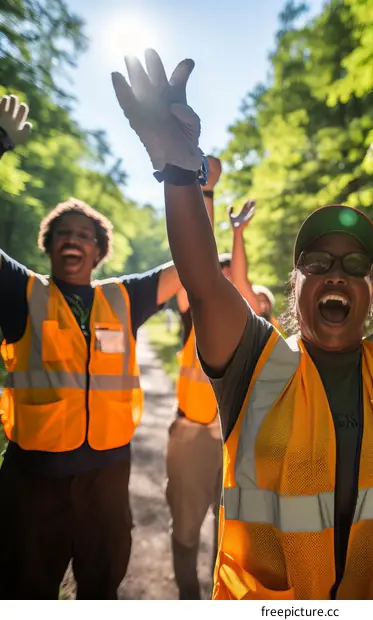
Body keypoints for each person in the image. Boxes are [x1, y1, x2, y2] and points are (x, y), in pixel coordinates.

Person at [112, 49, 373, 600]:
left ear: (370, 291)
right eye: (318, 263)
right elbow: (204, 280)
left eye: (355, 265)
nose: (337, 273)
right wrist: (179, 172)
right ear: (295, 287)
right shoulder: (254, 363)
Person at [0, 95, 183, 600]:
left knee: (102, 587)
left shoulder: (125, 297)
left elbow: (192, 262)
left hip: (106, 476)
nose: (72, 240)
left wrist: (191, 180)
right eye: (62, 233)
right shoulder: (22, 292)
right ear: (49, 245)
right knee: (20, 591)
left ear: (100, 251)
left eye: (83, 234)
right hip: (33, 479)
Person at [166, 158, 224, 600]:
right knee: (185, 529)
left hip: (231, 444)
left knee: (231, 532)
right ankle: (189, 599)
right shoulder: (193, 318)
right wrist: (205, 194)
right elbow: (195, 257)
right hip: (189, 436)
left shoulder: (247, 328)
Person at [228, 199, 284, 333]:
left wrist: (238, 232)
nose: (261, 304)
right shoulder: (245, 319)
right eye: (255, 297)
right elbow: (240, 281)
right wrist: (238, 233)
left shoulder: (270, 326)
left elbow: (240, 281)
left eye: (265, 300)